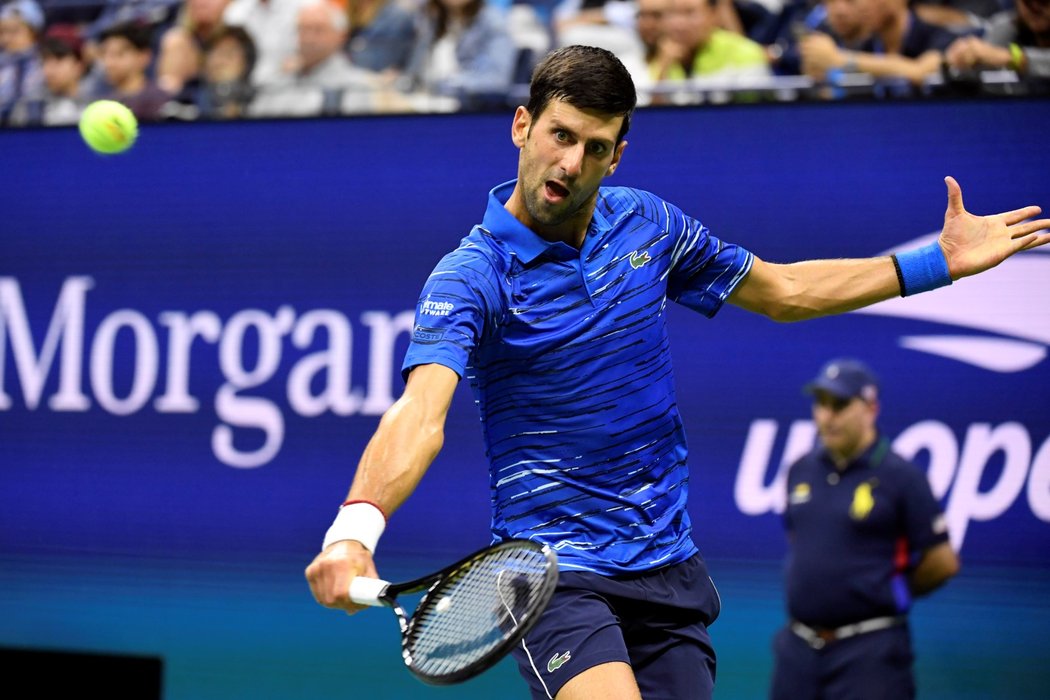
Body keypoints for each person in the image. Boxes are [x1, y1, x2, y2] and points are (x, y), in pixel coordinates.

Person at [304, 44, 1049, 700]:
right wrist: (353, 529)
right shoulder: (470, 277)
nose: (570, 164)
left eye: (594, 148)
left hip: (667, 565)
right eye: (560, 136)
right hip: (551, 575)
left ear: (617, 155)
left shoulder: (648, 225)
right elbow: (420, 415)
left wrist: (935, 264)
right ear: (522, 126)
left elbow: (784, 292)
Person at [770, 358, 961, 700]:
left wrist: (887, 591)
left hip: (870, 653)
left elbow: (942, 561)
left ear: (871, 408)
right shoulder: (800, 470)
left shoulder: (901, 476)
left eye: (840, 405)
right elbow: (802, 542)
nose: (827, 416)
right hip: (799, 651)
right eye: (821, 404)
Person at [248, 0, 404, 116]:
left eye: (318, 30)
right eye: (303, 29)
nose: (308, 38)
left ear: (341, 36)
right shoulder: (277, 82)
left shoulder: (357, 86)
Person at [648, 0, 771, 84]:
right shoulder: (662, 54)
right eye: (673, 13)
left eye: (689, 13)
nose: (679, 24)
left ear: (713, 14)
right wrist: (663, 68)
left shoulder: (746, 52)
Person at [8, 24, 91, 125]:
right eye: (45, 61)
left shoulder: (95, 102)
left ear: (79, 65)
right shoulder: (28, 107)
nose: (49, 70)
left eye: (58, 60)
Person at [944, 0, 1050, 80]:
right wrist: (966, 60)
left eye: (1043, 2)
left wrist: (1011, 58)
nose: (1036, 9)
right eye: (1028, 3)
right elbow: (985, 64)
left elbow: (1000, 56)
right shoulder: (1006, 26)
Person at [96, 20, 173, 121]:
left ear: (144, 57)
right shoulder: (103, 105)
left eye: (119, 54)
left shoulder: (161, 103)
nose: (109, 63)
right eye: (105, 54)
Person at [0, 0, 45, 125]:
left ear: (34, 32)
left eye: (14, 31)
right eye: (2, 32)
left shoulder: (46, 61)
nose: (6, 39)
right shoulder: (2, 65)